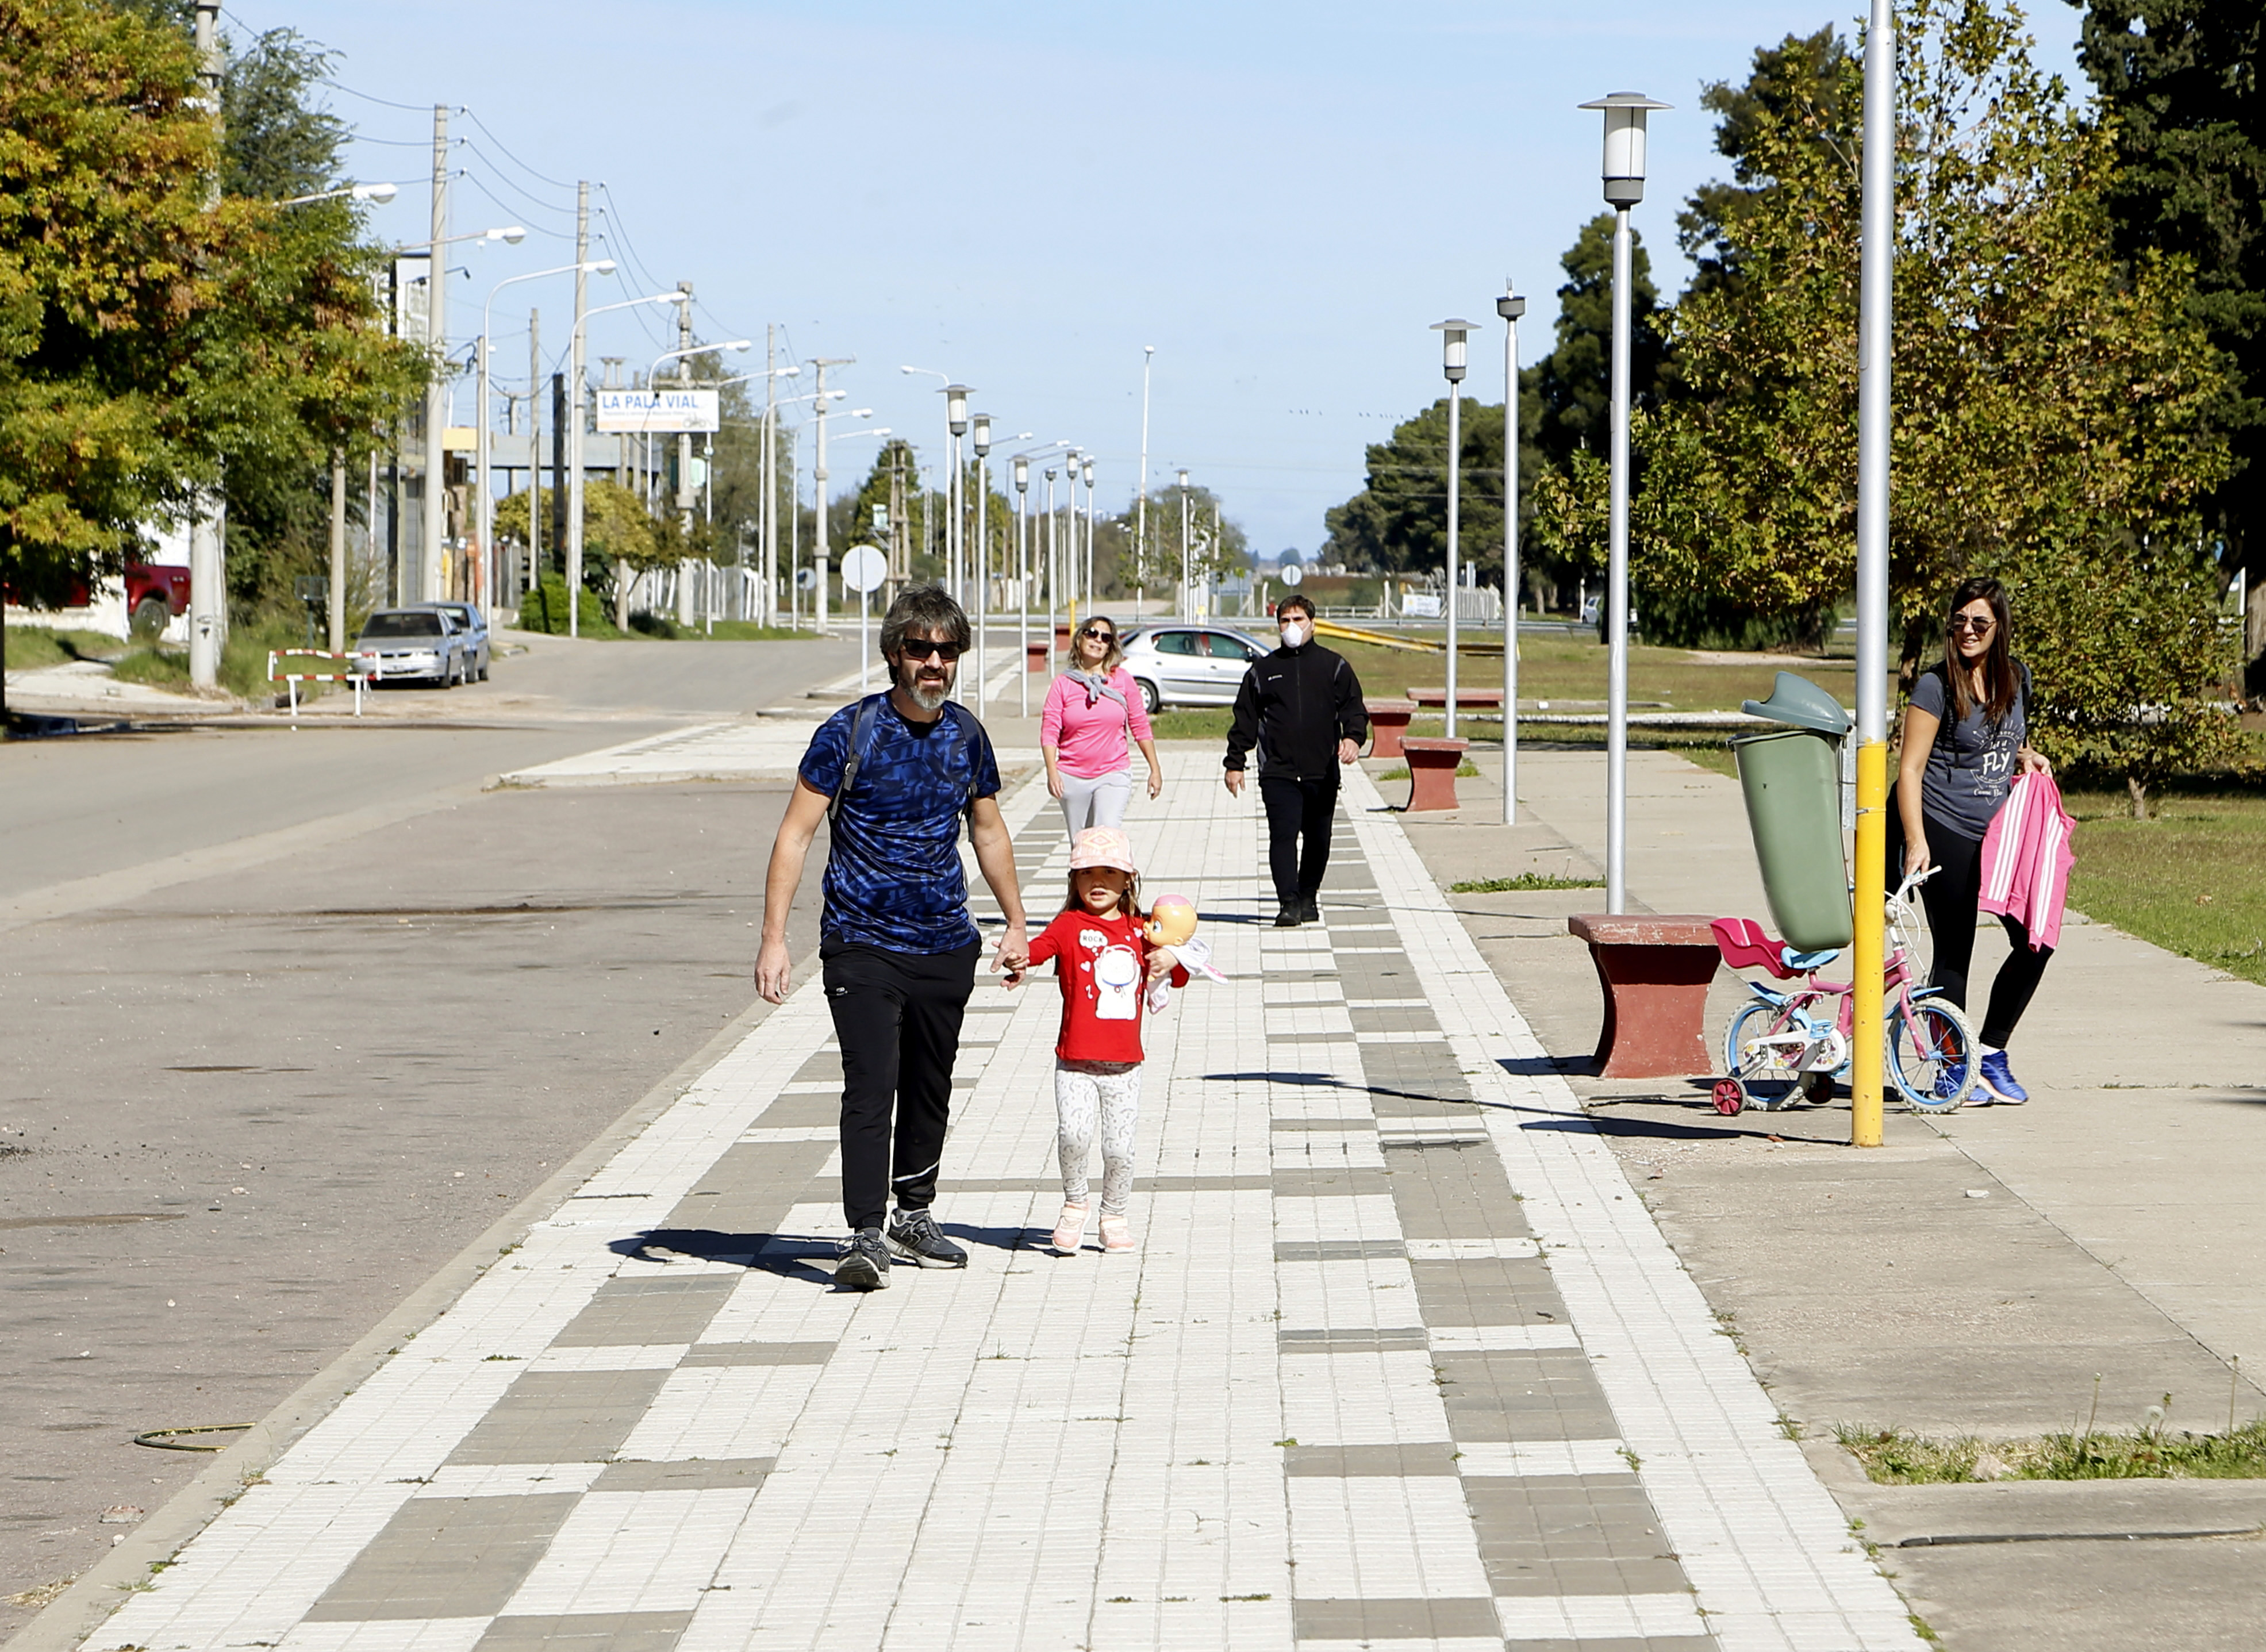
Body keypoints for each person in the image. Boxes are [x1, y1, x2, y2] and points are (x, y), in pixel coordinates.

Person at [755, 586, 1029, 1289]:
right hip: (861, 940)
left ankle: (915, 1214)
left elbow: (989, 830)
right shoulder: (848, 733)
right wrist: (774, 939)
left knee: (930, 1085)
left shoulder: (966, 735)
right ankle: (865, 1232)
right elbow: (796, 834)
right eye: (920, 649)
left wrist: (1017, 924)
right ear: (892, 655)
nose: (934, 662)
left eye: (946, 651)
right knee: (871, 1086)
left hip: (945, 940)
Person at [1892, 576, 2054, 1104]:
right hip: (1945, 828)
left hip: (2002, 833)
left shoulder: (2017, 678)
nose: (1968, 630)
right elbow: (1910, 770)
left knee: (2036, 940)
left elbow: (2008, 742)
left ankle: (1990, 1054)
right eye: (1959, 621)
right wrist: (1916, 841)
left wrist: (2025, 758)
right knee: (1955, 952)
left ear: (1999, 628)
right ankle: (1948, 1066)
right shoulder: (1935, 687)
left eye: (1979, 622)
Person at [1001, 826, 1184, 1255]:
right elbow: (1040, 948)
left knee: (1119, 1147)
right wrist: (1018, 956)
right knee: (1074, 1135)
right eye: (1086, 873)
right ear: (1073, 881)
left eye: (1109, 873)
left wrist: (1172, 955)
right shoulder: (1068, 925)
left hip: (1125, 1066)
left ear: (1128, 881)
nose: (1097, 882)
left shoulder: (1142, 931)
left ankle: (1114, 1215)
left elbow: (1178, 972)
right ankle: (1075, 1205)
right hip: (1075, 1063)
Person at [1222, 593, 1368, 927]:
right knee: (1283, 836)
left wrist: (1352, 738)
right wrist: (1235, 762)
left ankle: (1308, 895)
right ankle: (1288, 902)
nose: (1292, 627)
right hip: (1278, 772)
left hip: (1322, 772)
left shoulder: (1334, 666)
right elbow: (1244, 719)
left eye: (1298, 620)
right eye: (1285, 621)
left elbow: (1354, 709)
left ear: (1313, 624)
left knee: (1319, 839)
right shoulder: (1263, 670)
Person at [1040, 614, 1162, 833]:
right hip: (1072, 775)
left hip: (1113, 773)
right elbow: (1050, 731)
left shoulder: (1123, 680)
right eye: (1092, 634)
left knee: (1106, 839)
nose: (1098, 640)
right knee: (1081, 846)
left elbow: (1141, 726)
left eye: (1105, 638)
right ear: (1080, 639)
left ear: (1110, 648)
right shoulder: (1063, 684)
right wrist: (1052, 771)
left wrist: (1155, 769)